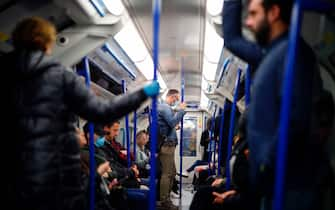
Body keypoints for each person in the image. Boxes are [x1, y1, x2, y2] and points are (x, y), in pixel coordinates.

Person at [2, 16, 160, 210]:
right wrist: (142, 93)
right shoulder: (59, 75)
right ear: (44, 42)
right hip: (56, 177)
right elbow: (102, 112)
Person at [241, 0, 329, 209]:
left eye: (254, 14)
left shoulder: (292, 53)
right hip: (276, 182)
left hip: (291, 185)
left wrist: (265, 165)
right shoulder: (276, 54)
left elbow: (295, 119)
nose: (249, 22)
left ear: (273, 12)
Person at [157, 89, 186, 209]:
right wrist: (181, 110)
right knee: (167, 174)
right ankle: (165, 200)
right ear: (172, 96)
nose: (177, 101)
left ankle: (166, 196)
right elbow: (173, 122)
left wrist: (174, 128)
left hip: (169, 144)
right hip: (166, 146)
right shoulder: (164, 107)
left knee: (172, 172)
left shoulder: (165, 108)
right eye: (176, 98)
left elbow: (169, 125)